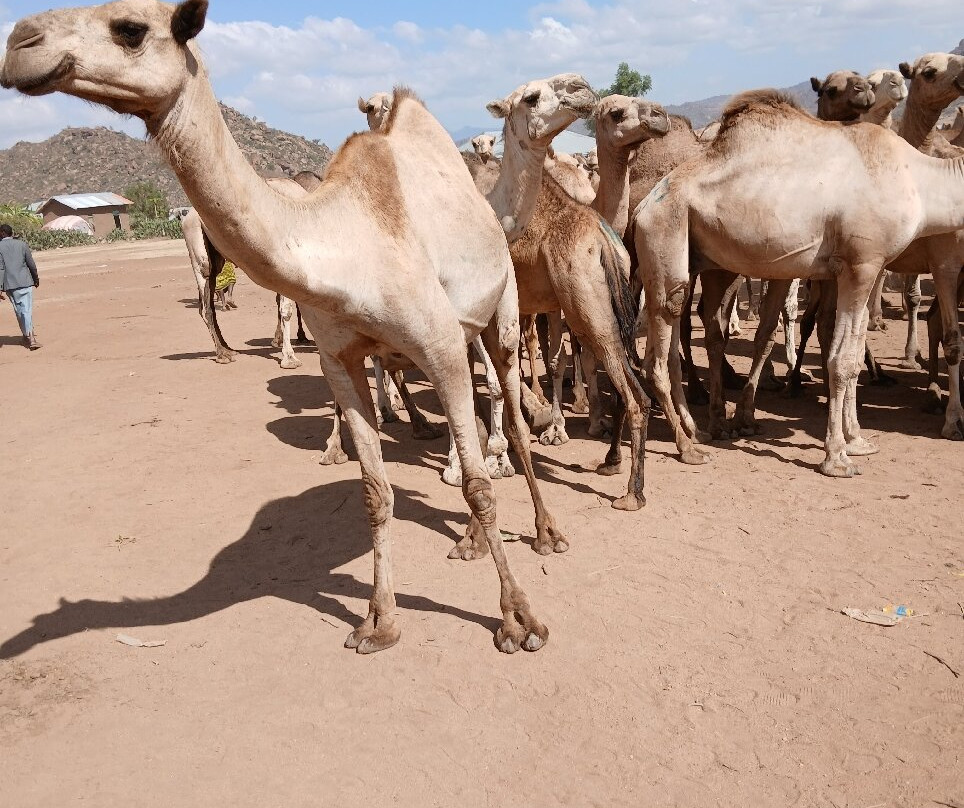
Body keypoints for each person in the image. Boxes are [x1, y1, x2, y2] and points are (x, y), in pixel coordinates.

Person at [0, 223, 41, 349]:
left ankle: (26, 336)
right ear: (11, 233)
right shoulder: (22, 244)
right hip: (25, 281)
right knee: (26, 310)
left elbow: (1, 268)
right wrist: (36, 278)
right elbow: (31, 264)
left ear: (2, 233)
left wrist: (0, 287)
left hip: (10, 284)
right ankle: (31, 338)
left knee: (19, 311)